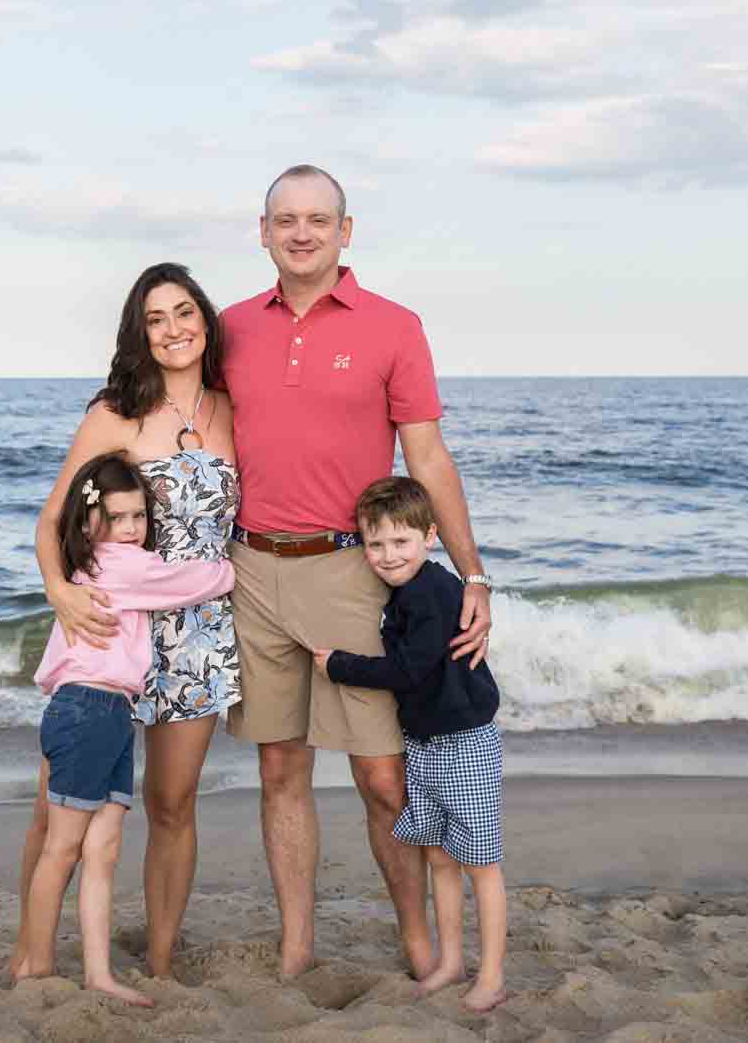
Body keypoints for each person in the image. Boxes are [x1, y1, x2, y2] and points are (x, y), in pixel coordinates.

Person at [220, 163, 494, 979]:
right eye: (285, 219)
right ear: (262, 231)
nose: (300, 232)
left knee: (381, 776)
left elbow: (430, 456)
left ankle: (417, 939)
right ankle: (297, 947)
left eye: (318, 218)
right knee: (280, 769)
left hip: (352, 575)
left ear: (347, 230)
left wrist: (472, 573)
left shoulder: (394, 326)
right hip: (253, 570)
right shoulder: (229, 327)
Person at [27, 262, 240, 979]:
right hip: (107, 633)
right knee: (58, 807)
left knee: (171, 803)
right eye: (156, 318)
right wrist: (59, 589)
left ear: (205, 319)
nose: (174, 328)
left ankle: (158, 959)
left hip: (197, 639)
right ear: (138, 332)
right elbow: (54, 516)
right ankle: (32, 954)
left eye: (185, 312)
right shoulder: (113, 412)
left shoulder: (234, 409)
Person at [9, 452, 234, 1004]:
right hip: (87, 711)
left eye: (139, 517)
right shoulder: (118, 565)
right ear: (90, 521)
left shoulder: (99, 562)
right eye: (118, 517)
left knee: (103, 848)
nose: (132, 529)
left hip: (112, 715)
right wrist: (230, 560)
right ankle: (34, 964)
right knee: (63, 848)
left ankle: (97, 973)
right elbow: (203, 580)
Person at [312, 476, 505, 1013]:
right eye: (375, 544)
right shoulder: (405, 591)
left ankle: (491, 976)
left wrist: (338, 666)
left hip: (464, 743)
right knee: (440, 857)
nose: (387, 555)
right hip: (424, 744)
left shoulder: (433, 593)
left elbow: (409, 670)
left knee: (481, 866)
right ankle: (449, 962)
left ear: (430, 536)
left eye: (401, 542)